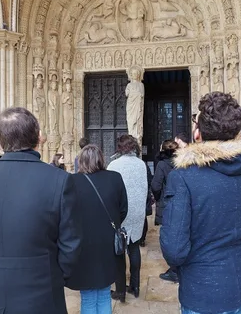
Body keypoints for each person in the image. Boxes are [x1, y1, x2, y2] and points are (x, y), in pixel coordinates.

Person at [160, 92, 241, 314]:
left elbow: (174, 249)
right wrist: (234, 246)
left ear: (199, 134)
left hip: (202, 293)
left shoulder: (183, 176)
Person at [0, 107, 81, 314]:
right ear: (36, 137)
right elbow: (71, 244)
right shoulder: (59, 179)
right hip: (41, 296)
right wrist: (56, 276)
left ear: (0, 140)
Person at [66, 144, 128, 314]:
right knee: (103, 293)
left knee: (88, 295)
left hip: (82, 243)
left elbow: (66, 214)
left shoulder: (71, 181)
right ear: (101, 159)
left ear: (81, 161)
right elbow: (123, 209)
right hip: (107, 242)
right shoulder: (115, 178)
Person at [107, 134, 147, 302]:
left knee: (119, 251)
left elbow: (109, 192)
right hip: (138, 212)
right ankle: (135, 286)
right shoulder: (141, 164)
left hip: (121, 212)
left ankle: (120, 291)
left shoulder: (114, 164)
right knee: (134, 247)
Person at [151, 139, 178, 282]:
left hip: (167, 203)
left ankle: (174, 269)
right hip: (182, 202)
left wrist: (158, 198)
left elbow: (156, 185)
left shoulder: (162, 164)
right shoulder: (182, 163)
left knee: (167, 238)